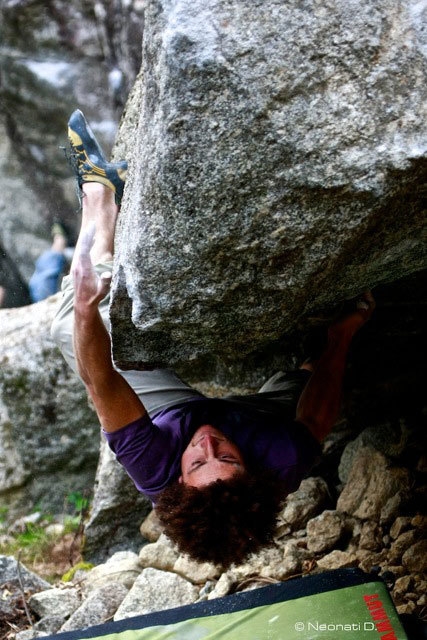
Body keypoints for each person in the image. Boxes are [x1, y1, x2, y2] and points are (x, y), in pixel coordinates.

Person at [51, 110, 375, 567]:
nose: (207, 443)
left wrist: (86, 303)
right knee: (310, 376)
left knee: (66, 328)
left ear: (179, 483)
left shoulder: (155, 467)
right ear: (252, 470)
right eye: (226, 457)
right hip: (254, 418)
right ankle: (308, 355)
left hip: (168, 413)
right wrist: (341, 337)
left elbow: (101, 381)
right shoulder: (279, 461)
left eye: (199, 463)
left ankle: (100, 195)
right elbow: (317, 417)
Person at [29, 223, 69, 302]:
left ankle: (59, 237)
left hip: (39, 289)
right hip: (43, 290)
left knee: (51, 260)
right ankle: (59, 237)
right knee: (54, 257)